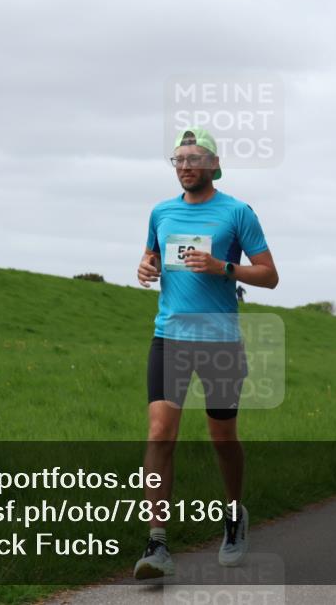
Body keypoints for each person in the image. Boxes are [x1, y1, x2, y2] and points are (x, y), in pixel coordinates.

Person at [133, 127, 279, 579]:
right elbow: (151, 258)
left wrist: (224, 268)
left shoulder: (237, 213)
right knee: (160, 433)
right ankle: (156, 544)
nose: (185, 166)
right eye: (177, 159)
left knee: (223, 439)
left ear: (214, 165)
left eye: (194, 159)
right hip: (171, 336)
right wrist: (144, 266)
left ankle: (234, 518)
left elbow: (269, 275)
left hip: (219, 340)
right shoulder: (161, 212)